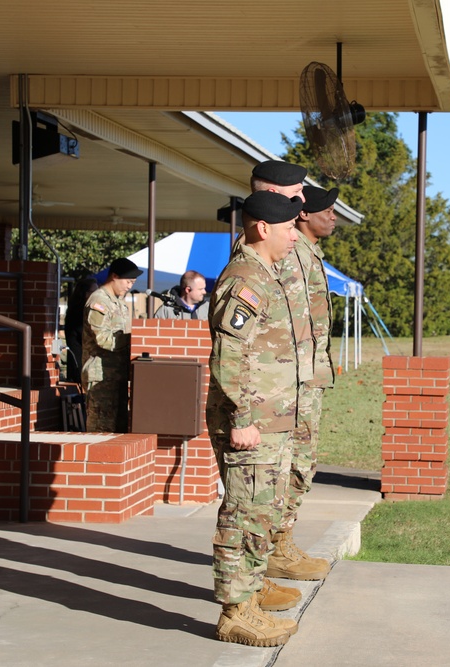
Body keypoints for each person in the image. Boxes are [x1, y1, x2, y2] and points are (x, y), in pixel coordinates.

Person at [206, 190, 304, 647]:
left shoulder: (265, 273)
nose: (293, 236)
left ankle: (250, 598)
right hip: (250, 423)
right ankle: (235, 612)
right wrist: (242, 417)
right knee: (244, 513)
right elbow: (229, 353)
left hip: (271, 419)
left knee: (262, 511)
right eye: (288, 229)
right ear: (262, 228)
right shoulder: (246, 278)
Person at [267, 185, 340, 583]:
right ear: (304, 215)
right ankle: (275, 547)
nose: (333, 217)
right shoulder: (292, 255)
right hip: (292, 380)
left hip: (309, 378)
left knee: (302, 464)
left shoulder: (310, 254)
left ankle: (283, 540)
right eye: (327, 210)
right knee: (288, 466)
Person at [81, 257, 143, 432]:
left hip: (117, 375)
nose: (129, 286)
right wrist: (134, 339)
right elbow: (103, 339)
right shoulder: (99, 301)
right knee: (101, 430)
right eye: (128, 281)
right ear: (114, 276)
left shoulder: (120, 304)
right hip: (101, 376)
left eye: (133, 282)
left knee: (118, 429)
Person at [64, 277, 99, 385]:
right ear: (84, 293)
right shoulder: (79, 313)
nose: (97, 295)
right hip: (80, 364)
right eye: (94, 291)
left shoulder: (85, 310)